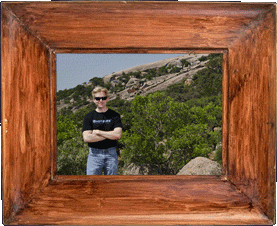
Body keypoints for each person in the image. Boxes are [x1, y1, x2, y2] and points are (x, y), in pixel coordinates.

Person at [82, 87, 122, 175]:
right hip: (94, 154)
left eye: (103, 98)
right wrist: (109, 135)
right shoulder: (89, 116)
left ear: (107, 98)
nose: (101, 100)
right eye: (97, 98)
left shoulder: (115, 115)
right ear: (93, 100)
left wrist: (99, 132)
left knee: (111, 184)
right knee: (92, 184)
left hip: (111, 153)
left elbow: (117, 135)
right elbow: (86, 138)